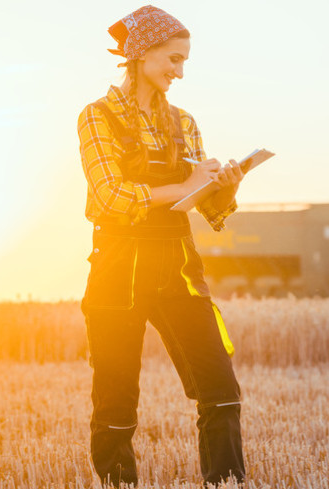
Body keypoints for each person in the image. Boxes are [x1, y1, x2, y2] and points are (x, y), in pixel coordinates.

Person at [76, 5, 246, 486]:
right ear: (141, 53)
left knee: (221, 387)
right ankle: (117, 481)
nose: (180, 71)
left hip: (180, 269)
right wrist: (186, 184)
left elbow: (208, 211)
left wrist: (223, 186)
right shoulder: (97, 117)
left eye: (184, 61)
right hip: (118, 268)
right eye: (173, 59)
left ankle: (226, 480)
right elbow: (112, 197)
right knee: (115, 396)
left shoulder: (185, 122)